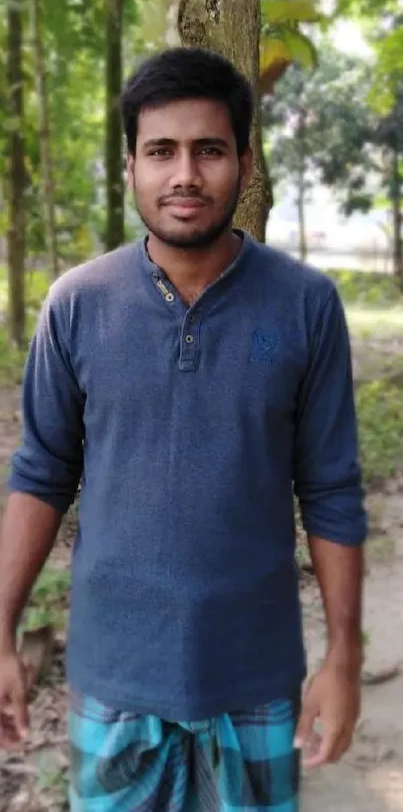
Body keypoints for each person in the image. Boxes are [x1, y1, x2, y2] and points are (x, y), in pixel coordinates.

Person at [0, 47, 367, 811]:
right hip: (114, 680)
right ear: (130, 163)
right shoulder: (77, 305)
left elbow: (329, 488)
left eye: (208, 149)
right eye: (161, 151)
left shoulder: (303, 305)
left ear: (243, 159)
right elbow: (41, 473)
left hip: (254, 676)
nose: (185, 175)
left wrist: (341, 654)